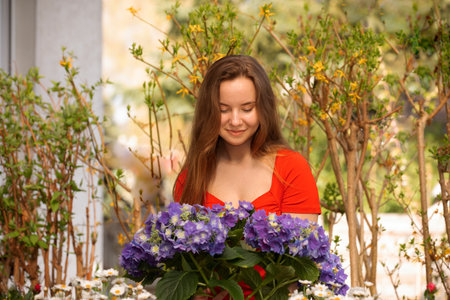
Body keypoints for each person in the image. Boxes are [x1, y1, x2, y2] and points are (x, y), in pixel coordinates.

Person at [173, 55, 321, 299]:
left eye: (247, 108)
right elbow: (188, 269)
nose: (235, 120)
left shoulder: (291, 168)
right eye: (223, 109)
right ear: (209, 112)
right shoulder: (190, 177)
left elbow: (299, 269)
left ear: (263, 108)